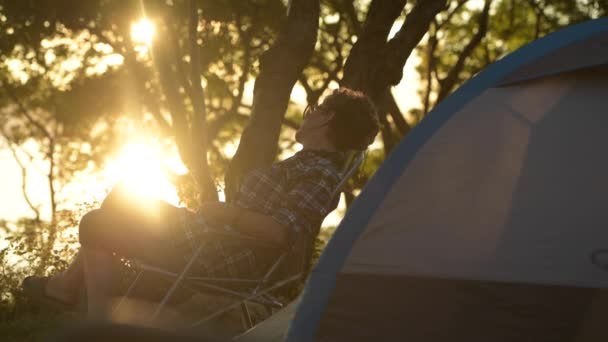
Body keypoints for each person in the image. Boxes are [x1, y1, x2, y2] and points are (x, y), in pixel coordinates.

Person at [22, 88, 379, 320]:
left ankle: (94, 320)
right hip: (209, 237)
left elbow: (282, 234)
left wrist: (228, 213)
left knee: (97, 224)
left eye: (314, 109)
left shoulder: (318, 174)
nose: (308, 113)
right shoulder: (305, 164)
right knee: (122, 196)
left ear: (327, 118)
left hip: (216, 254)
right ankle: (69, 290)